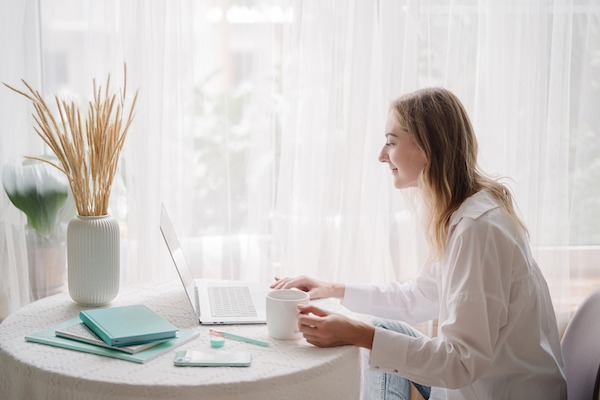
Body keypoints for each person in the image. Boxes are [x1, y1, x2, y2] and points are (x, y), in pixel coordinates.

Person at [270, 87, 567, 400]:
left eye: (391, 142)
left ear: (427, 147)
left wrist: (358, 334)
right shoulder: (465, 213)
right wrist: (334, 289)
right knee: (383, 329)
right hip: (476, 386)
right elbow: (421, 296)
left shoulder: (478, 230)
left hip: (496, 393)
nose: (382, 156)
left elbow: (461, 362)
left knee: (372, 339)